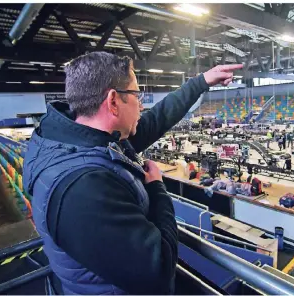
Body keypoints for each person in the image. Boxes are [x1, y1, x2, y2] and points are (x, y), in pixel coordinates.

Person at [22, 51, 242, 295]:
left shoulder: (82, 141)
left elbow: (155, 120)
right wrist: (157, 189)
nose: (142, 103)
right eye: (137, 94)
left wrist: (200, 83)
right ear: (113, 101)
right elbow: (158, 272)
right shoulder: (83, 187)